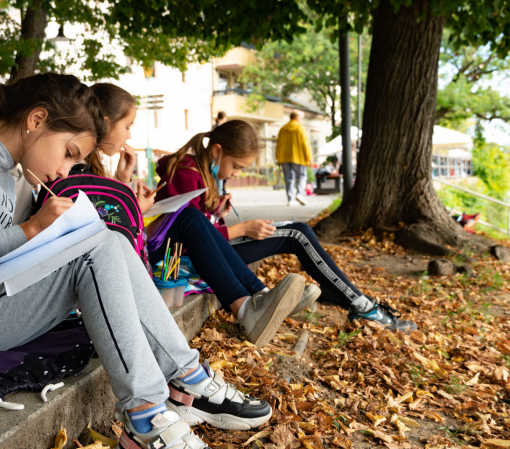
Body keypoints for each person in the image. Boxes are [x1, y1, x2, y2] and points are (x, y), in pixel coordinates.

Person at [0, 73, 274, 443]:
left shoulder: (12, 171)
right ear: (36, 119)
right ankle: (146, 414)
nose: (63, 170)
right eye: (69, 153)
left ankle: (187, 377)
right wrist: (31, 229)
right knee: (94, 249)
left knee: (107, 240)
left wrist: (56, 234)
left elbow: (0, 254)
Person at [84, 83, 309, 351]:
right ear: (106, 122)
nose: (129, 135)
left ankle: (258, 298)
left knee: (192, 217)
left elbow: (111, 217)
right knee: (189, 217)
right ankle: (249, 304)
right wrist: (137, 207)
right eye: (128, 126)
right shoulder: (83, 167)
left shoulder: (94, 165)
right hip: (123, 259)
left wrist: (123, 181)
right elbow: (108, 228)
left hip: (132, 251)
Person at [155, 120, 417, 332]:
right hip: (185, 258)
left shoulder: (202, 171)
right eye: (236, 166)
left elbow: (202, 223)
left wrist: (217, 210)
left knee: (298, 231)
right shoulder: (187, 172)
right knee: (297, 233)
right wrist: (243, 229)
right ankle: (360, 304)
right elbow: (193, 233)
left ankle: (276, 298)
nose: (236, 173)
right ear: (217, 151)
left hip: (208, 251)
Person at [276, 112, 312, 206]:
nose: (301, 120)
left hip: (284, 157)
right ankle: (300, 194)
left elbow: (278, 144)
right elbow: (305, 144)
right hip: (298, 157)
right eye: (301, 118)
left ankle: (290, 199)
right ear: (297, 117)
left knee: (288, 178)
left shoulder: (283, 129)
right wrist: (309, 158)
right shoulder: (300, 128)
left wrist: (278, 158)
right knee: (301, 176)